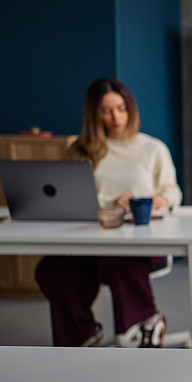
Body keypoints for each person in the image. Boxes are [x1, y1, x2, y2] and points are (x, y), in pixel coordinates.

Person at [35, 78, 182, 347]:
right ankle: (81, 334)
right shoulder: (80, 150)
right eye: (106, 110)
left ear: (130, 109)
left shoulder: (153, 148)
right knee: (53, 269)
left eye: (121, 108)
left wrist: (159, 200)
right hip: (92, 239)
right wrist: (111, 202)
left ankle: (146, 322)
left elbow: (172, 191)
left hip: (142, 240)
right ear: (94, 113)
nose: (116, 117)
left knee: (118, 262)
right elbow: (70, 196)